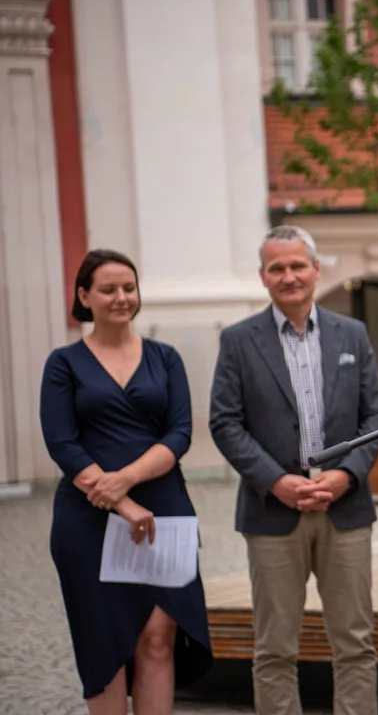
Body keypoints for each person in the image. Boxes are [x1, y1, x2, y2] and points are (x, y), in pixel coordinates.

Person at [208, 225, 378, 715]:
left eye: (297, 265)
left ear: (315, 269)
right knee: (274, 647)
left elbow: (377, 413)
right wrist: (275, 481)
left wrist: (347, 474)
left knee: (355, 641)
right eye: (277, 268)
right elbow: (225, 423)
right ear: (263, 276)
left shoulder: (351, 333)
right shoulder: (238, 340)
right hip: (272, 512)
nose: (288, 276)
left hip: (345, 508)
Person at [40, 249, 214, 714]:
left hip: (163, 507)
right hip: (86, 516)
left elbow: (179, 433)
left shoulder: (165, 357)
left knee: (159, 636)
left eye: (129, 288)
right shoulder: (64, 363)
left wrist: (127, 482)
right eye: (108, 289)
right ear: (84, 296)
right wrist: (119, 501)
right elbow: (62, 442)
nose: (121, 297)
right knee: (106, 644)